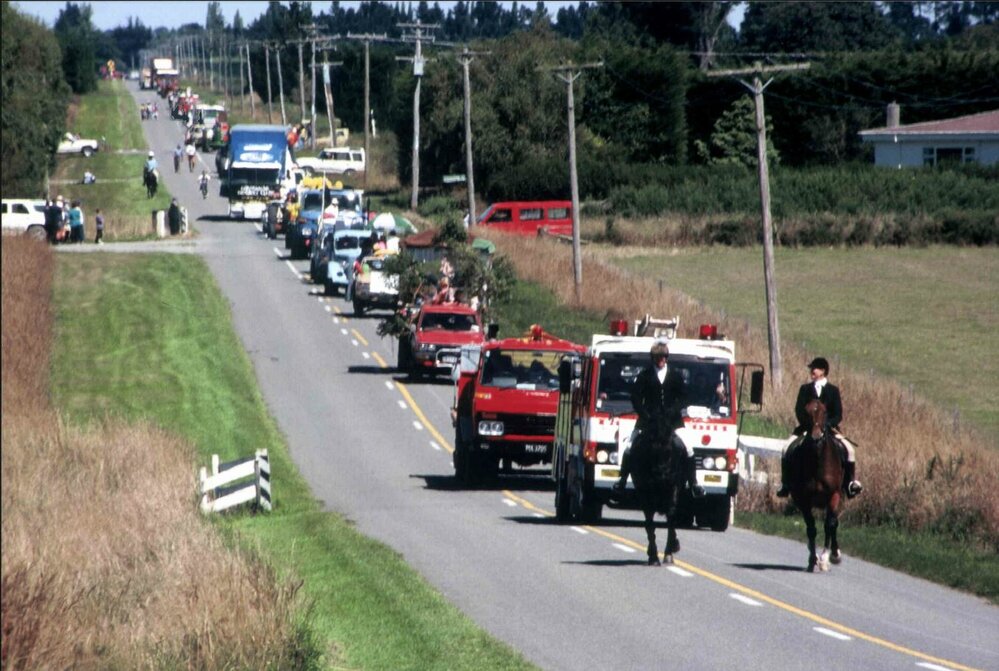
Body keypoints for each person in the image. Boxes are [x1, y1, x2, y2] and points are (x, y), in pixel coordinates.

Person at [613, 340, 703, 498]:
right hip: (648, 421)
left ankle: (694, 483)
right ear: (653, 358)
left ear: (667, 357)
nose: (661, 360)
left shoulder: (675, 376)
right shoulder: (644, 375)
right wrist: (644, 414)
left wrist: (673, 410)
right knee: (629, 446)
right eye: (658, 357)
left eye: (664, 357)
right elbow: (635, 397)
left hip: (673, 421)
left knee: (688, 447)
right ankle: (622, 479)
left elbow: (683, 397)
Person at [776, 357, 863, 499]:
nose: (811, 371)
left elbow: (838, 413)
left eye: (814, 369)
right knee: (786, 448)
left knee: (850, 450)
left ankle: (850, 483)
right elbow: (799, 410)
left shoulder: (833, 390)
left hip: (829, 429)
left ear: (822, 371)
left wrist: (826, 424)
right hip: (807, 429)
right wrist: (809, 425)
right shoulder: (804, 389)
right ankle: (785, 484)